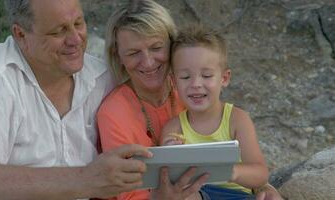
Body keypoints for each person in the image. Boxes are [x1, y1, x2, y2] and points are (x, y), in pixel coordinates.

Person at [0, 0, 156, 199]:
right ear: (21, 35)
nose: (75, 39)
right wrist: (85, 179)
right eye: (59, 31)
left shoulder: (102, 78)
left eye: (78, 24)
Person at [97, 0, 283, 200]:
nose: (148, 62)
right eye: (133, 53)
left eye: (156, 47)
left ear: (172, 45)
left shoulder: (190, 91)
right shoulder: (114, 114)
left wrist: (262, 186)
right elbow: (132, 193)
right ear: (119, 56)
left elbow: (245, 161)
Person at [160, 23, 269, 199]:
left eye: (207, 75)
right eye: (186, 77)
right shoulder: (174, 128)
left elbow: (260, 173)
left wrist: (230, 171)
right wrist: (170, 157)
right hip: (197, 194)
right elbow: (167, 180)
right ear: (173, 81)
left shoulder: (237, 119)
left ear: (224, 78)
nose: (195, 84)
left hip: (236, 195)